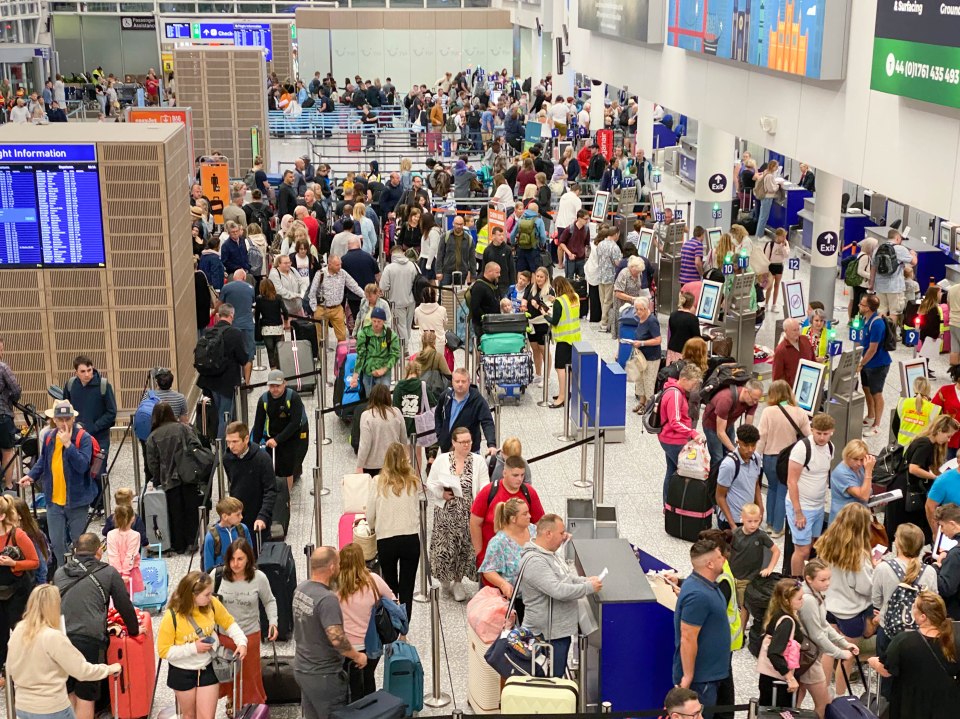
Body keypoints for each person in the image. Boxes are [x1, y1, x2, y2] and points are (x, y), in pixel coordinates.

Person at [6, 585, 122, 719]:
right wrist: (109, 669)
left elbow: (10, 667)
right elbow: (82, 671)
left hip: (23, 707)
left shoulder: (19, 630)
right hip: (51, 708)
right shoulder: (53, 636)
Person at [157, 571, 248, 719]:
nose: (210, 597)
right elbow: (163, 651)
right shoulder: (172, 616)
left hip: (208, 667)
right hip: (182, 672)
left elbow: (229, 622)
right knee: (189, 715)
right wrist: (193, 648)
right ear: (193, 595)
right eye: (206, 594)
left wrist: (241, 641)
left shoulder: (211, 604)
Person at [520, 514, 602, 677]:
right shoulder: (536, 562)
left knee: (556, 674)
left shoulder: (549, 554)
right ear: (548, 533)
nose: (564, 536)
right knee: (550, 681)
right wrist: (588, 587)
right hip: (546, 635)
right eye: (561, 533)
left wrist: (584, 580)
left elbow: (565, 577)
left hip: (558, 631)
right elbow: (558, 590)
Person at [814, 503, 876, 694]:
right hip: (851, 612)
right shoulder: (859, 556)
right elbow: (866, 588)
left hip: (829, 606)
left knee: (829, 650)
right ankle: (841, 696)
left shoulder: (826, 543)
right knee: (848, 656)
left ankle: (822, 693)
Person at [868, 591, 960, 718]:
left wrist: (873, 661)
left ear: (923, 616)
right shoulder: (955, 639)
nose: (912, 608)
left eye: (914, 606)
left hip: (911, 706)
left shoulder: (904, 641)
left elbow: (886, 670)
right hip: (947, 706)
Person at [23, 400, 94, 563]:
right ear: (54, 419)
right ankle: (64, 575)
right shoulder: (49, 437)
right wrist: (31, 475)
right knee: (56, 543)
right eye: (60, 419)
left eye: (67, 419)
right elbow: (43, 460)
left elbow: (83, 466)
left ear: (73, 419)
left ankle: (81, 575)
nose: (64, 423)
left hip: (77, 500)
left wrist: (68, 445)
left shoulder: (84, 438)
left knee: (79, 543)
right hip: (53, 500)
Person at [426, 426, 490, 601]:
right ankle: (445, 576)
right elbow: (431, 483)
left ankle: (458, 581)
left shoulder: (478, 461)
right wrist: (442, 493)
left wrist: (479, 507)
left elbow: (485, 487)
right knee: (445, 547)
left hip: (469, 513)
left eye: (469, 441)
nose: (466, 445)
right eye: (462, 442)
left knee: (464, 548)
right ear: (454, 443)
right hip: (446, 512)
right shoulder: (442, 460)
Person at [673, 538, 731, 717]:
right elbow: (688, 637)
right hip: (702, 679)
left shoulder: (708, 586)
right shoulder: (698, 595)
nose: (725, 559)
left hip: (715, 672)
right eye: (721, 557)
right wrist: (688, 676)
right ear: (710, 563)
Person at [216, 539, 278, 708]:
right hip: (225, 638)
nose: (235, 564)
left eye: (240, 559)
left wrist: (273, 622)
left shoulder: (259, 578)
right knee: (228, 678)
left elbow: (269, 601)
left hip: (249, 636)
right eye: (232, 559)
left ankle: (251, 709)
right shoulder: (219, 575)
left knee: (250, 678)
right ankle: (232, 703)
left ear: (248, 559)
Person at [366, 443, 420, 620]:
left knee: (389, 585)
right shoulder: (413, 481)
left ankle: (391, 624)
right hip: (410, 538)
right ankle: (404, 629)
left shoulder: (377, 482)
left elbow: (370, 514)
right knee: (407, 586)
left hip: (386, 539)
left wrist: (372, 526)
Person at [336, 543, 397, 701]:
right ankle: (371, 709)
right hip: (371, 645)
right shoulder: (374, 580)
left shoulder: (336, 586)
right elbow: (393, 601)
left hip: (345, 648)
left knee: (349, 687)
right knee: (368, 679)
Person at [144, 402, 206, 554]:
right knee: (191, 510)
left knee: (175, 512)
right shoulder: (184, 428)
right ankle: (192, 542)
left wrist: (156, 479)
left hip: (168, 479)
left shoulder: (153, 436)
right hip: (188, 476)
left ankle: (179, 545)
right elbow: (196, 445)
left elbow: (152, 463)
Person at [891, 415, 960, 543]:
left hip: (903, 485)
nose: (949, 440)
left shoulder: (925, 441)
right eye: (948, 436)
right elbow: (913, 468)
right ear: (939, 431)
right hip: (906, 489)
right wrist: (936, 477)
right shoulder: (926, 445)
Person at [873, 523, 939, 657]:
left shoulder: (883, 568)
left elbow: (876, 600)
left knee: (887, 671)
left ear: (898, 544)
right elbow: (933, 601)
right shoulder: (930, 571)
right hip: (920, 632)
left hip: (889, 630)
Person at [755, 381, 810, 537]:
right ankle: (779, 528)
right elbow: (808, 436)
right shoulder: (799, 412)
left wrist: (757, 458)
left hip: (769, 457)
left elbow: (762, 437)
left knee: (772, 489)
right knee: (782, 491)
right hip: (788, 459)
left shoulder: (768, 412)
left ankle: (770, 524)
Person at [62, 355, 116, 516]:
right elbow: (66, 408)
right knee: (81, 470)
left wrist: (94, 427)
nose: (87, 374)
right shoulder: (71, 386)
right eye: (83, 371)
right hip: (78, 437)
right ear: (76, 372)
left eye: (89, 370)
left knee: (98, 471)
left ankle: (102, 505)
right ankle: (90, 504)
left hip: (99, 438)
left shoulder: (103, 386)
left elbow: (111, 412)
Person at [470, 456, 544, 570]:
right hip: (492, 562)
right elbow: (475, 523)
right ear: (504, 473)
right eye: (515, 475)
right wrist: (480, 555)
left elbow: (540, 524)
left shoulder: (529, 492)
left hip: (523, 564)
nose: (519, 479)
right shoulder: (488, 492)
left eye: (522, 475)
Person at [786, 413, 836, 575]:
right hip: (802, 506)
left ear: (832, 432)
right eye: (818, 433)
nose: (822, 437)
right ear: (812, 430)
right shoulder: (802, 448)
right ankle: (796, 582)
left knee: (813, 546)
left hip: (818, 506)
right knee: (802, 550)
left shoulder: (830, 447)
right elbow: (791, 481)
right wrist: (798, 511)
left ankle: (808, 579)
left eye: (825, 433)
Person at [0, 494, 40, 678]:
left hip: (17, 590)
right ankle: (4, 670)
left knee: (20, 629)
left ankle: (26, 667)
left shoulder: (18, 535)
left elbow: (35, 562)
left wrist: (14, 564)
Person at [196, 304, 249, 439]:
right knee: (225, 416)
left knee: (218, 414)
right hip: (227, 383)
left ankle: (217, 442)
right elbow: (243, 358)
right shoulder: (235, 333)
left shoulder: (209, 332)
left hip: (211, 381)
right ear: (231, 316)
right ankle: (222, 451)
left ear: (219, 316)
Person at [251, 370, 309, 492]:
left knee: (287, 469)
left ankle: (286, 496)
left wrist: (278, 440)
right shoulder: (264, 400)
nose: (275, 389)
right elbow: (258, 425)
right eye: (272, 386)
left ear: (284, 383)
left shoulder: (293, 398)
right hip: (271, 437)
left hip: (292, 437)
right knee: (273, 467)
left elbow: (294, 423)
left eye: (278, 386)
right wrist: (254, 448)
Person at [479, 498, 535, 620]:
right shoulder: (499, 542)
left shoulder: (533, 530)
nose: (529, 516)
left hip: (538, 596)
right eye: (525, 514)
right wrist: (503, 583)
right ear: (513, 519)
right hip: (517, 601)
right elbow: (488, 570)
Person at [659, 364, 706, 502]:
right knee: (687, 472)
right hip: (673, 440)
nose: (694, 386)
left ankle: (668, 503)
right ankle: (678, 503)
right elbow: (675, 422)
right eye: (694, 382)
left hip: (669, 438)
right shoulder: (675, 395)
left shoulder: (673, 389)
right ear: (685, 379)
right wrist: (692, 432)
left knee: (671, 470)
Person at [756, 578, 807, 705]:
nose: (803, 601)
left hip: (768, 678)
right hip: (777, 680)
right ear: (786, 600)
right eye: (799, 598)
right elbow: (774, 652)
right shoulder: (787, 621)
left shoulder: (776, 614)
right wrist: (790, 678)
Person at [729, 504, 779, 627]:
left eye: (756, 521)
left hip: (748, 578)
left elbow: (776, 551)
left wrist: (770, 568)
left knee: (744, 605)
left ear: (760, 518)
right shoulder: (735, 534)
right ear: (742, 518)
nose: (753, 524)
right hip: (732, 576)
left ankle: (741, 631)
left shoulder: (761, 535)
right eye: (749, 521)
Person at [434, 368, 497, 454]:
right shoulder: (446, 396)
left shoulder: (477, 400)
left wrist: (491, 444)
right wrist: (440, 435)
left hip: (470, 450)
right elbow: (438, 414)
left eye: (463, 381)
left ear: (469, 382)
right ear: (452, 382)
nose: (460, 384)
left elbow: (487, 422)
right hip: (447, 449)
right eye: (457, 381)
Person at [702, 380, 763, 468]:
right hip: (711, 425)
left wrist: (745, 445)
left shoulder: (753, 401)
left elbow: (748, 427)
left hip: (728, 423)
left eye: (757, 400)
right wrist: (736, 450)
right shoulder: (726, 399)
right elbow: (720, 432)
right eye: (753, 399)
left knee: (730, 454)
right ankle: (715, 479)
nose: (755, 402)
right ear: (745, 391)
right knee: (718, 457)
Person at [714, 425, 762, 531]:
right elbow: (720, 496)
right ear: (738, 442)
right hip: (731, 521)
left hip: (749, 519)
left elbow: (756, 485)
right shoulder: (729, 465)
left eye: (753, 445)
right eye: (746, 445)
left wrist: (761, 510)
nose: (750, 450)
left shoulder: (756, 458)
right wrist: (733, 526)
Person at [858, 293, 893, 436]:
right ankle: (870, 415)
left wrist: (861, 363)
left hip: (878, 364)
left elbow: (873, 349)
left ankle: (877, 425)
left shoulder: (877, 323)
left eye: (862, 304)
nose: (859, 305)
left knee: (876, 393)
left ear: (868, 308)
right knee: (866, 389)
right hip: (867, 362)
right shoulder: (865, 319)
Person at [356, 384, 407, 476]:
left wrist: (359, 465)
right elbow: (403, 438)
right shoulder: (396, 412)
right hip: (393, 462)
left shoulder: (367, 415)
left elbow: (365, 444)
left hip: (372, 465)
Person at [871, 229, 917, 328]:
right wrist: (913, 254)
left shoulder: (878, 249)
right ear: (897, 238)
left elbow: (873, 268)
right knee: (894, 312)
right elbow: (914, 262)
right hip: (895, 287)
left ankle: (881, 333)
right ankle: (891, 336)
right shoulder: (901, 249)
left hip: (879, 287)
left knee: (881, 311)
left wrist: (871, 285)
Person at [548, 277, 581, 409]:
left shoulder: (559, 302)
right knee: (570, 368)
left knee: (560, 368)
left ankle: (562, 397)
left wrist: (545, 314)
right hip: (575, 337)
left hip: (563, 340)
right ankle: (568, 392)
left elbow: (555, 320)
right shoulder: (575, 297)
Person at [352, 307, 401, 396]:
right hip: (368, 371)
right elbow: (360, 356)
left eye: (379, 322)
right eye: (374, 321)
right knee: (369, 398)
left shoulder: (390, 335)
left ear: (384, 321)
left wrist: (384, 369)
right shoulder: (363, 334)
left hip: (384, 370)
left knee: (383, 398)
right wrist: (355, 376)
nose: (376, 324)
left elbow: (395, 354)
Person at [828, 439, 875, 524]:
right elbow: (863, 496)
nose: (859, 463)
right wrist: (869, 470)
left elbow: (867, 491)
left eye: (862, 459)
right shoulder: (841, 473)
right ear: (847, 456)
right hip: (844, 520)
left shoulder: (859, 469)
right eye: (855, 459)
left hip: (858, 517)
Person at [628, 296, 662, 413]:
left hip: (651, 357)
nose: (638, 312)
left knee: (648, 381)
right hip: (641, 356)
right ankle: (641, 402)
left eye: (640, 309)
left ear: (646, 308)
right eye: (636, 309)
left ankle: (649, 405)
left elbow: (658, 340)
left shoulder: (652, 321)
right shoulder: (640, 319)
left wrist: (642, 343)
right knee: (640, 380)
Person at [202, 496, 251, 572]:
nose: (241, 517)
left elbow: (250, 554)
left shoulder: (243, 529)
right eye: (238, 514)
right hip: (222, 578)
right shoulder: (211, 537)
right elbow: (208, 568)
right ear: (225, 516)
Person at [380, 247, 419, 341]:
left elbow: (383, 286)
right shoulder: (412, 265)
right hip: (411, 300)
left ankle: (404, 349)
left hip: (396, 302)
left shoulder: (389, 268)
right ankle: (406, 345)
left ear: (392, 255)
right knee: (407, 326)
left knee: (401, 327)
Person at [524, 267, 553, 385]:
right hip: (531, 323)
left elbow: (549, 310)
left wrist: (537, 306)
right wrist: (524, 305)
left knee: (544, 350)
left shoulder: (550, 291)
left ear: (546, 278)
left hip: (543, 323)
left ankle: (547, 377)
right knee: (535, 349)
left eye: (541, 277)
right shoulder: (531, 287)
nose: (539, 279)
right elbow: (525, 298)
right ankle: (538, 374)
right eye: (537, 276)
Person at [105, 503, 143, 593]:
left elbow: (113, 555)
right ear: (133, 518)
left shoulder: (110, 534)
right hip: (131, 572)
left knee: (116, 599)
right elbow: (131, 556)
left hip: (115, 573)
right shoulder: (135, 535)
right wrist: (125, 573)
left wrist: (118, 573)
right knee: (130, 598)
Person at [893, 376, 940, 446]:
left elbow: (895, 426)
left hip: (901, 447)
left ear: (914, 388)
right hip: (921, 448)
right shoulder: (935, 409)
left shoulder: (903, 402)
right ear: (929, 390)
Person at [593, 225, 624, 333]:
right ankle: (604, 323)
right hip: (610, 277)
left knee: (603, 300)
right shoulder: (614, 247)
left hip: (600, 275)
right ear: (616, 234)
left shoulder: (600, 244)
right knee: (608, 301)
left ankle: (604, 321)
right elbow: (617, 263)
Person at [0, 338, 21, 491]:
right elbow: (16, 390)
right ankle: (8, 485)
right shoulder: (3, 368)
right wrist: (9, 399)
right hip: (3, 415)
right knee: (7, 451)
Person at [772, 319, 814, 385]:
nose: (797, 332)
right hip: (791, 390)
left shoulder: (805, 340)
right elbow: (777, 377)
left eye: (798, 329)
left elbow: (813, 360)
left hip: (809, 384)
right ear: (786, 331)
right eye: (794, 330)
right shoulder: (781, 350)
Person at [469, 262, 503, 341]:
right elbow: (475, 307)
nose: (499, 275)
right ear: (489, 272)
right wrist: (485, 318)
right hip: (483, 325)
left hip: (493, 323)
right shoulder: (479, 286)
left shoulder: (494, 284)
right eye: (497, 272)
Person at [934, 364, 960, 461]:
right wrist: (947, 420)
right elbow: (934, 411)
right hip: (949, 438)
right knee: (947, 466)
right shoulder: (945, 390)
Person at [667, 292, 702, 365]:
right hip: (685, 352)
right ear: (692, 304)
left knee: (672, 372)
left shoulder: (673, 315)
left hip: (672, 349)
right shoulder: (693, 319)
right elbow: (697, 338)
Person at [558, 209, 590, 279]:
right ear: (579, 219)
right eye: (585, 219)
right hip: (570, 259)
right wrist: (569, 253)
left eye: (588, 219)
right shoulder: (569, 229)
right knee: (569, 280)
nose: (587, 221)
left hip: (581, 259)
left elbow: (586, 244)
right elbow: (561, 243)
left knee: (581, 280)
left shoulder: (586, 229)